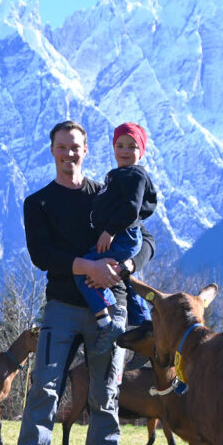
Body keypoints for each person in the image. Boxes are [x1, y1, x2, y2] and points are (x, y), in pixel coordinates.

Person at [7, 121, 155, 445]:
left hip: (113, 305)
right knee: (44, 391)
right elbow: (42, 255)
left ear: (86, 151)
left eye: (76, 147)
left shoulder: (109, 192)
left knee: (105, 398)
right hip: (61, 305)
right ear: (52, 150)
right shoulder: (37, 202)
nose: (69, 153)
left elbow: (146, 240)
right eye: (62, 146)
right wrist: (87, 268)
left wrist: (123, 266)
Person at [74, 122, 157, 350]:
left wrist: (109, 231)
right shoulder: (120, 176)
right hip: (125, 237)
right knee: (130, 283)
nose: (124, 151)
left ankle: (108, 317)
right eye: (119, 145)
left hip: (122, 237)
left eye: (132, 146)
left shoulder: (134, 175)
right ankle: (145, 328)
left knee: (84, 273)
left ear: (141, 151)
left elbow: (131, 209)